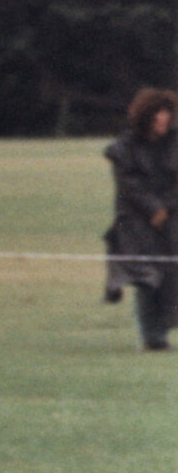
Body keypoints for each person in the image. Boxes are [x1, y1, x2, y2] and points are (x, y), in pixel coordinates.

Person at [103, 87, 178, 351]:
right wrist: (151, 208)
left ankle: (163, 328)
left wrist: (165, 208)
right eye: (158, 114)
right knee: (147, 276)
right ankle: (153, 337)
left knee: (171, 273)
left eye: (167, 114)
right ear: (146, 116)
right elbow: (128, 184)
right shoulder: (124, 148)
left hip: (171, 218)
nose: (163, 120)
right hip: (135, 221)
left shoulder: (174, 143)